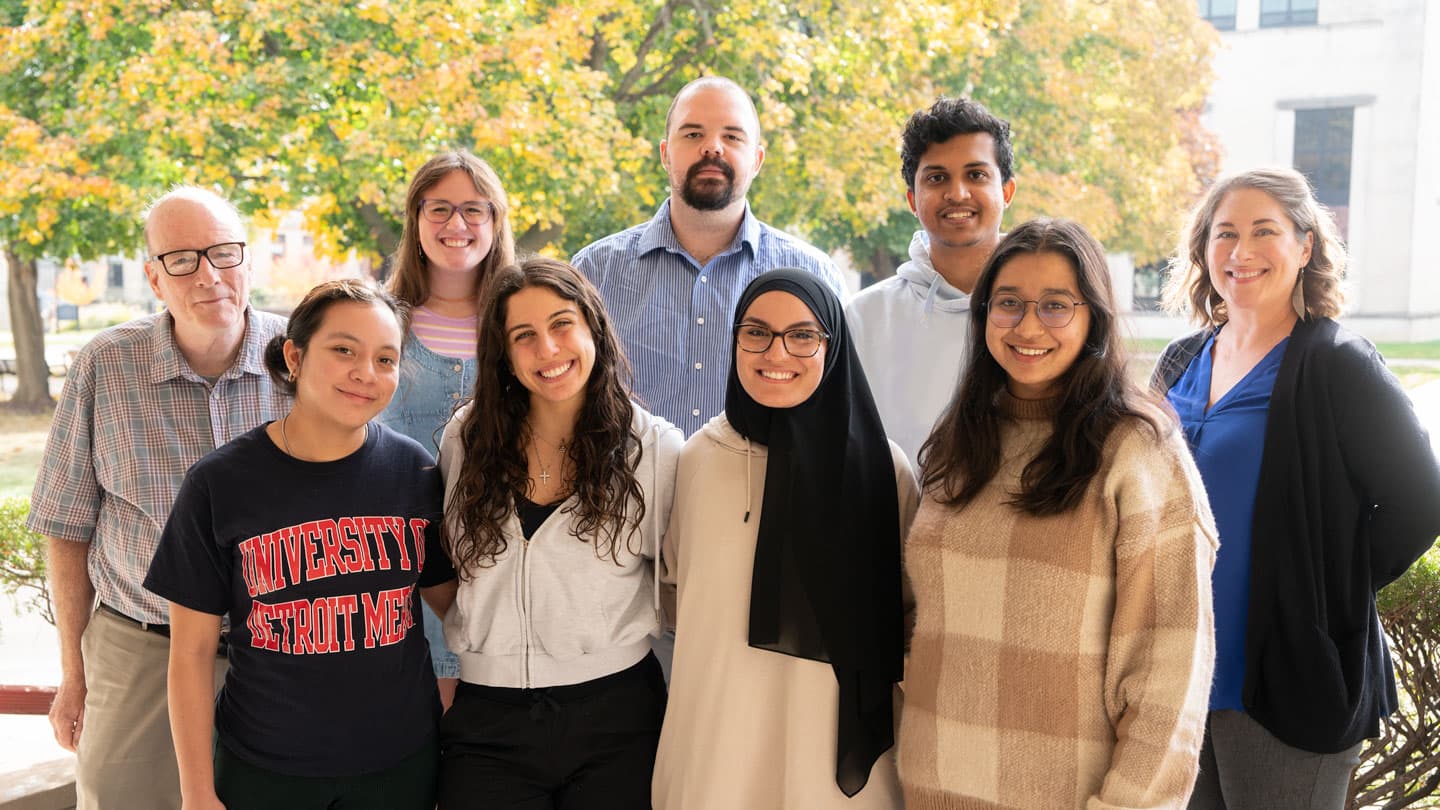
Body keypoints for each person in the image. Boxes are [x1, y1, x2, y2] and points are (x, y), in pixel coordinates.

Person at [901, 218, 1217, 808]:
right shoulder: (961, 439)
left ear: (1093, 316)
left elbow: (1170, 673)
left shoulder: (1139, 450)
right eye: (1009, 304)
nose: (1027, 326)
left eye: (1055, 306)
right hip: (930, 787)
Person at [1152, 167, 1440, 809]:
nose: (1241, 251)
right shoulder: (1178, 362)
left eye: (1264, 231)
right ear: (1203, 249)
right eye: (1224, 233)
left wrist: (1322, 588)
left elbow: (1421, 500)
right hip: (1176, 681)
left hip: (1285, 680)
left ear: (1305, 246)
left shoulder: (1337, 364)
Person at [27, 186, 288, 809]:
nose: (209, 275)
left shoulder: (301, 359)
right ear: (153, 276)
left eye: (224, 253)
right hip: (142, 650)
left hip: (277, 658)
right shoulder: (104, 366)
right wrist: (73, 675)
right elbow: (67, 529)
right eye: (182, 259)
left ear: (248, 260)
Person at [144, 280, 451, 810]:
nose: (366, 373)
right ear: (294, 355)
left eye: (386, 358)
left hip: (400, 764)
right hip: (264, 768)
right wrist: (197, 791)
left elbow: (460, 606)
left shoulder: (416, 471)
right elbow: (191, 654)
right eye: (343, 351)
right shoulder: (219, 484)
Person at [654, 268, 918, 809]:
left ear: (833, 345)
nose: (777, 353)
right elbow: (674, 594)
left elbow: (910, 612)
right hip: (716, 741)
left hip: (829, 757)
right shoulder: (698, 458)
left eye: (803, 335)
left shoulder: (880, 469)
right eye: (756, 332)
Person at [425, 257, 683, 809]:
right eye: (524, 336)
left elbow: (679, 584)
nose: (548, 349)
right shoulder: (465, 438)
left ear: (593, 326)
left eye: (562, 324)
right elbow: (450, 577)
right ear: (503, 355)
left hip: (617, 717)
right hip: (488, 722)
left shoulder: (655, 449)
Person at [573, 75, 846, 439]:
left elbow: (838, 405)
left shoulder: (814, 275)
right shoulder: (594, 271)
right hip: (625, 491)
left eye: (732, 137)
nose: (712, 148)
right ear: (665, 154)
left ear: (757, 160)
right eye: (692, 134)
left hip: (760, 493)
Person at [380, 149, 517, 709]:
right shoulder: (383, 320)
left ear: (495, 221)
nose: (456, 225)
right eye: (439, 209)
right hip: (402, 576)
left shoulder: (521, 321)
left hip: (505, 570)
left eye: (473, 210)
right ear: (415, 219)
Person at [846, 96, 1017, 466]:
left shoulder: (1045, 317)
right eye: (937, 178)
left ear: (1006, 192)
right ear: (912, 199)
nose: (957, 193)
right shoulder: (860, 320)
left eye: (976, 175)